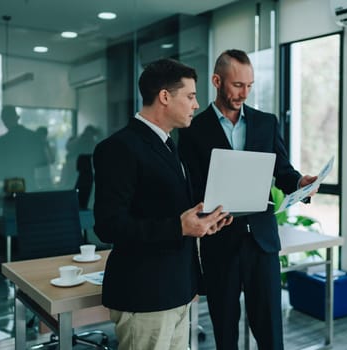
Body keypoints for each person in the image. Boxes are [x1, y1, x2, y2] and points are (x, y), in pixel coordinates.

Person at [178, 49, 318, 350]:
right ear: (217, 81)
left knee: (270, 332)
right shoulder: (192, 130)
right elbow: (189, 187)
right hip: (220, 242)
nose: (244, 92)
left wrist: (299, 182)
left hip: (262, 244)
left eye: (250, 85)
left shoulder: (266, 123)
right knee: (225, 331)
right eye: (237, 85)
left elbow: (282, 170)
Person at [93, 58, 233, 350]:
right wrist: (178, 227)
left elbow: (174, 210)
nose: (196, 105)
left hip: (177, 290)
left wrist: (206, 220)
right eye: (191, 96)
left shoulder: (170, 145)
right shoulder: (119, 148)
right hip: (144, 295)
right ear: (165, 97)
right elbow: (108, 226)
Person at [0, 106, 48, 191]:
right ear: (17, 118)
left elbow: (0, 167)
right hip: (30, 180)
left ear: (3, 120)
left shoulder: (3, 140)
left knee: (14, 203)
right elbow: (42, 161)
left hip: (12, 181)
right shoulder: (33, 136)